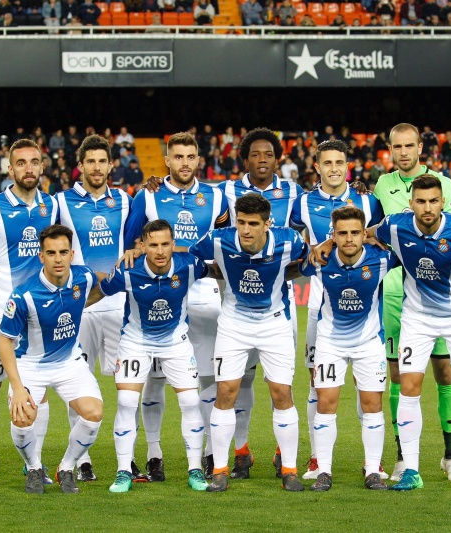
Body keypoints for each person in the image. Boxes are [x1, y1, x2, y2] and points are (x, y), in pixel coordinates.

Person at [369, 174, 451, 492]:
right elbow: (365, 234)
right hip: (417, 318)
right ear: (411, 204)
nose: (427, 207)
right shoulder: (395, 225)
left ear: (443, 202)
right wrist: (330, 243)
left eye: (433, 201)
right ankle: (411, 470)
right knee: (409, 387)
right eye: (421, 201)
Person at [124, 132, 229, 482]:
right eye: (178, 156)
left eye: (190, 156)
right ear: (167, 160)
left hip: (204, 293)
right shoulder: (148, 195)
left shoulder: (216, 197)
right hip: (160, 294)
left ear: (199, 159)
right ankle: (154, 455)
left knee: (209, 378)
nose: (185, 162)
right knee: (153, 381)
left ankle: (210, 452)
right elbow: (130, 242)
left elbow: (225, 242)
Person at [189, 193, 309, 492]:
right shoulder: (219, 240)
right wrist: (218, 272)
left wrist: (282, 272)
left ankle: (290, 470)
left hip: (274, 324)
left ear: (267, 224)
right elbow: (189, 256)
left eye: (253, 224)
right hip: (234, 325)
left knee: (282, 393)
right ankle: (220, 470)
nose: (245, 230)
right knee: (226, 392)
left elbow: (310, 261)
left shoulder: (289, 241)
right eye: (241, 222)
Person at [366, 123, 451, 483]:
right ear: (390, 149)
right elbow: (373, 232)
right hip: (396, 292)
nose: (403, 152)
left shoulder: (444, 185)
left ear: (421, 147)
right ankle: (402, 456)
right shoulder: (382, 185)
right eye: (397, 146)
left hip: (439, 295)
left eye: (409, 145)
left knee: (445, 372)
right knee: (399, 376)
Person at [0, 139, 58, 487]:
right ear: (10, 168)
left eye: (34, 162)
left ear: (42, 166)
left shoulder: (53, 206)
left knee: (38, 392)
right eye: (21, 163)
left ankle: (35, 463)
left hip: (37, 315)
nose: (28, 168)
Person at [288, 139, 384, 481]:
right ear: (317, 167)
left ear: (348, 166)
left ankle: (373, 463)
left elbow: (381, 239)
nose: (333, 169)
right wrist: (311, 250)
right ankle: (317, 459)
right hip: (320, 304)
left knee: (366, 385)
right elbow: (290, 239)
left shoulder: (367, 200)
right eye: (327, 163)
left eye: (339, 162)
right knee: (318, 385)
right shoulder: (302, 203)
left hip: (362, 302)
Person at [101, 220, 210, 493]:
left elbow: (218, 267)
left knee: (190, 401)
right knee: (126, 401)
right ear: (142, 246)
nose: (160, 251)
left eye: (164, 244)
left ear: (173, 245)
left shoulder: (190, 265)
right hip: (135, 342)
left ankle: (195, 469)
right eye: (152, 245)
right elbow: (101, 288)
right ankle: (123, 471)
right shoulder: (127, 270)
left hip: (175, 342)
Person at [0, 224, 104, 494]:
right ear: (41, 256)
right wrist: (18, 388)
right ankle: (34, 467)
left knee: (94, 414)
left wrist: (131, 263)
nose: (58, 259)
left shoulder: (83, 276)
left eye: (63, 252)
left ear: (72, 254)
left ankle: (66, 468)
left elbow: (105, 281)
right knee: (22, 418)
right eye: (51, 253)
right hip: (30, 366)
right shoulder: (24, 295)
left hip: (69, 363)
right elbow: (4, 341)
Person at [54, 134, 133, 483]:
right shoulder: (60, 202)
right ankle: (82, 459)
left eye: (102, 161)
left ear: (111, 165)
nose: (97, 167)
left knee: (127, 386)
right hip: (80, 307)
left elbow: (143, 235)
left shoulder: (126, 200)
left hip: (118, 306)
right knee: (77, 385)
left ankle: (127, 460)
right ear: (80, 165)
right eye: (91, 161)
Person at [300, 205, 396, 492]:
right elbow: (296, 265)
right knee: (326, 404)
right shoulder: (320, 260)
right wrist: (321, 245)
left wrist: (376, 236)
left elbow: (405, 245)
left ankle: (372, 471)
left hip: (369, 343)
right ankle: (324, 471)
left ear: (364, 233)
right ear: (334, 235)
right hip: (330, 343)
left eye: (355, 232)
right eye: (342, 234)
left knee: (373, 406)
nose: (349, 238)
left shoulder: (382, 259)